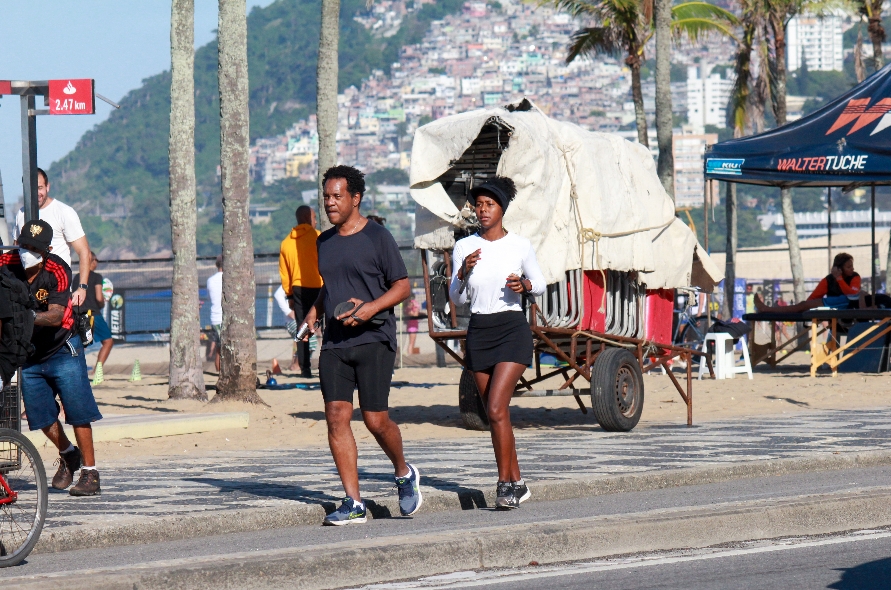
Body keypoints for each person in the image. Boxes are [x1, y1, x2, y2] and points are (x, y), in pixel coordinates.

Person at [300, 165, 421, 525]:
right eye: (326, 196)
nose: (330, 203)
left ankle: (403, 472)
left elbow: (402, 286)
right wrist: (314, 311)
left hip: (374, 338)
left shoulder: (378, 237)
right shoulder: (323, 242)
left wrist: (370, 309)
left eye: (337, 196)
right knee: (336, 417)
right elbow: (330, 284)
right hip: (335, 342)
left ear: (356, 198)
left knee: (375, 419)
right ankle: (353, 503)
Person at [449, 176, 546, 510]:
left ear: (502, 209)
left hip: (511, 328)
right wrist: (462, 272)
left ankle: (504, 485)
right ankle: (518, 482)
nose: (482, 210)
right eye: (478, 205)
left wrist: (526, 284)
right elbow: (456, 298)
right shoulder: (464, 247)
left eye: (489, 204)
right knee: (497, 414)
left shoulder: (519, 245)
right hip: (479, 330)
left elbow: (542, 283)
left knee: (494, 407)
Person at [0, 220, 102, 496]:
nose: (26, 251)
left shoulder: (57, 269)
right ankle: (69, 454)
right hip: (29, 353)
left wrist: (26, 317)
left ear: (46, 251)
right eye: (24, 245)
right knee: (41, 416)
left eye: (34, 248)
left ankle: (90, 473)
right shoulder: (5, 263)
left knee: (78, 411)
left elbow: (56, 314)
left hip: (62, 348)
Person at [14, 168, 92, 307]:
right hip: (27, 292)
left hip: (57, 290)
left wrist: (82, 288)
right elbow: (15, 251)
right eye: (32, 188)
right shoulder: (21, 214)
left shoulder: (64, 212)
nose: (37, 193)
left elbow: (84, 251)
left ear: (47, 187)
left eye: (40, 188)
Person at [754, 253, 886, 312]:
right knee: (802, 305)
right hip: (834, 305)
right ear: (839, 268)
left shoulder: (855, 277)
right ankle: (767, 310)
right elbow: (813, 297)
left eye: (852, 266)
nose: (852, 269)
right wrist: (808, 307)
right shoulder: (828, 280)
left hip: (843, 305)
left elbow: (851, 293)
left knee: (802, 306)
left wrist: (839, 279)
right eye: (848, 267)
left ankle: (766, 309)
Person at [279, 205, 323, 378]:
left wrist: (289, 295)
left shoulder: (286, 243)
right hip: (319, 286)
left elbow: (285, 273)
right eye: (314, 217)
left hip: (298, 288)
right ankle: (329, 364)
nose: (316, 220)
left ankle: (305, 368)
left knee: (302, 327)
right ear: (307, 218)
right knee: (325, 326)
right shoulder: (318, 237)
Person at [74, 252, 112, 382]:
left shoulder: (77, 278)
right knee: (108, 341)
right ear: (92, 260)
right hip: (93, 314)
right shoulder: (96, 277)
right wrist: (102, 303)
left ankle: (77, 371)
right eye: (97, 260)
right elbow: (99, 297)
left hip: (79, 314)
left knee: (81, 345)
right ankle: (97, 371)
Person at [207, 255, 223, 371]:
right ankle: (221, 372)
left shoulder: (210, 280)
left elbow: (210, 298)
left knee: (219, 347)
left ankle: (219, 372)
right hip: (223, 317)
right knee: (223, 348)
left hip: (215, 317)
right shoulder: (229, 279)